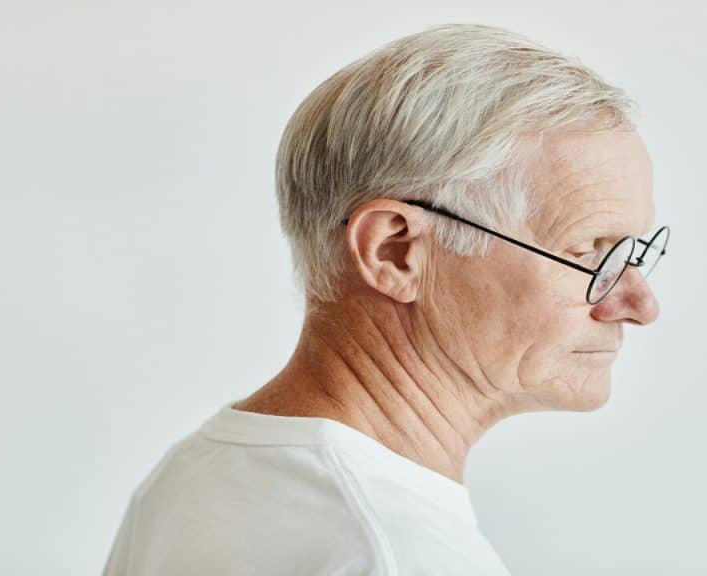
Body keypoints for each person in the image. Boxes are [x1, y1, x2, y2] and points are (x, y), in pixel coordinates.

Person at [103, 22, 668, 575]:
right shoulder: (394, 553)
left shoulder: (194, 477)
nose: (641, 303)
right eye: (593, 251)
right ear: (394, 253)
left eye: (632, 253)